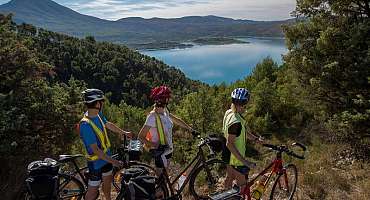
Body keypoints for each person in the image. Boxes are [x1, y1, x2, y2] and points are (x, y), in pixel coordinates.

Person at [79, 89, 132, 200]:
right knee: (92, 192)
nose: (102, 104)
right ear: (97, 103)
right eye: (101, 102)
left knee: (107, 184)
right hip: (96, 163)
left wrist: (124, 132)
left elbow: (108, 124)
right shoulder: (85, 125)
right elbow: (96, 151)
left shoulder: (98, 115)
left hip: (106, 158)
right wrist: (115, 162)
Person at [138, 85, 195, 173]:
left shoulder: (165, 112)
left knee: (165, 177)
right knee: (161, 180)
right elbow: (140, 136)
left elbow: (177, 120)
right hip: (160, 153)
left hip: (168, 150)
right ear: (164, 100)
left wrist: (189, 128)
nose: (169, 100)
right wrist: (154, 144)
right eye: (167, 98)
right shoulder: (152, 117)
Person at [223, 88, 264, 190]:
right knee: (243, 188)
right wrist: (245, 162)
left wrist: (255, 139)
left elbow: (242, 132)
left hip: (227, 155)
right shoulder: (236, 122)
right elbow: (230, 143)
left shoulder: (229, 112)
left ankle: (226, 196)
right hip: (236, 159)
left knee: (229, 177)